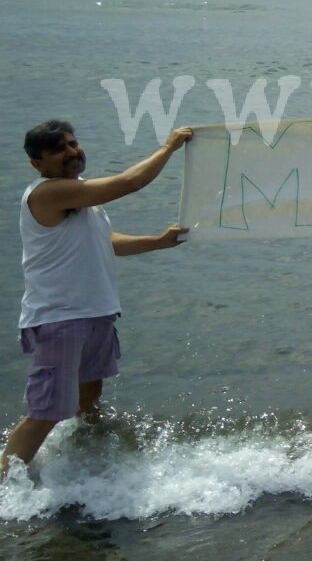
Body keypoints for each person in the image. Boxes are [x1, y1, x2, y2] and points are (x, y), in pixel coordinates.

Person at [2, 121, 192, 474]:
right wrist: (168, 148)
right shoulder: (47, 192)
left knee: (89, 397)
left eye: (73, 144)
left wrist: (158, 241)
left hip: (96, 313)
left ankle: (82, 463)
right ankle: (5, 485)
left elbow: (105, 241)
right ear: (38, 163)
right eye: (59, 150)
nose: (72, 153)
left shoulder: (80, 197)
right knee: (46, 411)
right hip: (60, 318)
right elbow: (129, 183)